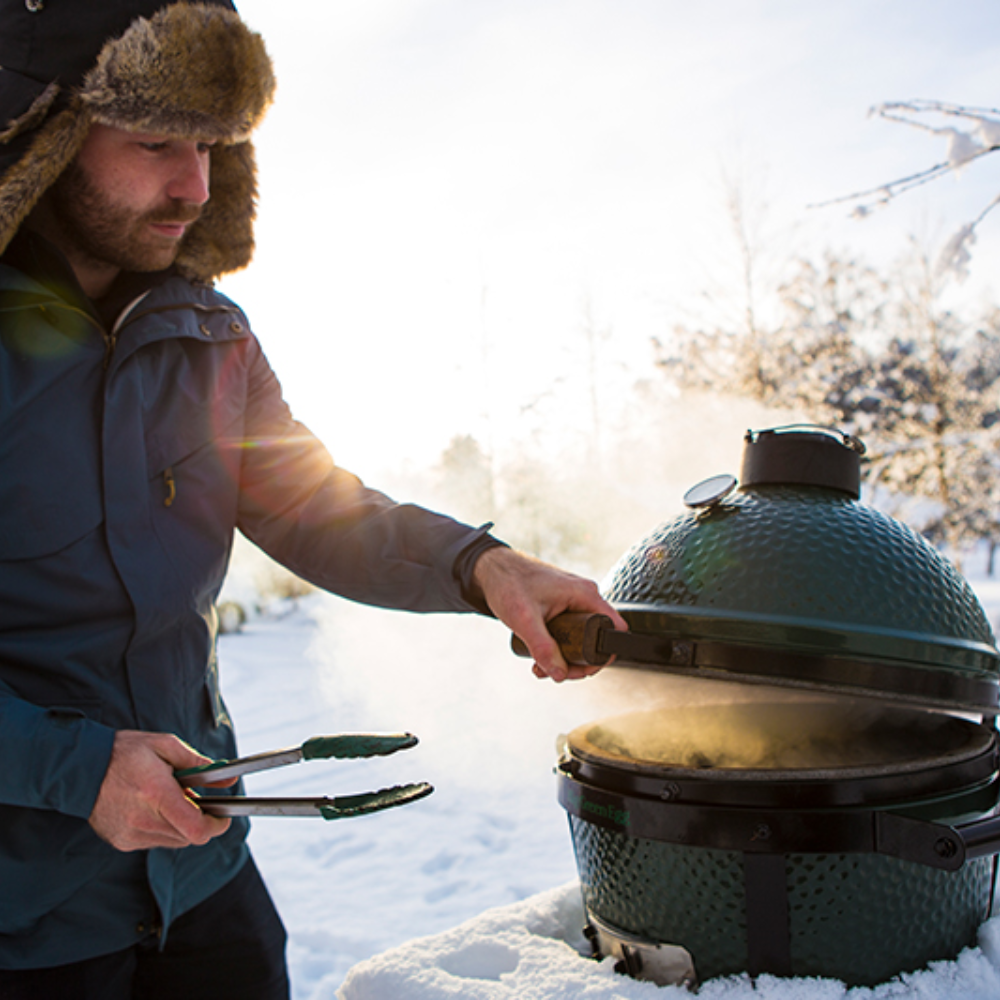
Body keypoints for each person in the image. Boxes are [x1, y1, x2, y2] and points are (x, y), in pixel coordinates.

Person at [0, 2, 626, 997]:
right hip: (25, 922)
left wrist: (483, 566)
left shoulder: (211, 333)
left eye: (212, 144)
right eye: (157, 140)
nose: (192, 187)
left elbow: (311, 506)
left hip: (203, 875)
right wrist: (74, 769)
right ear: (46, 131)